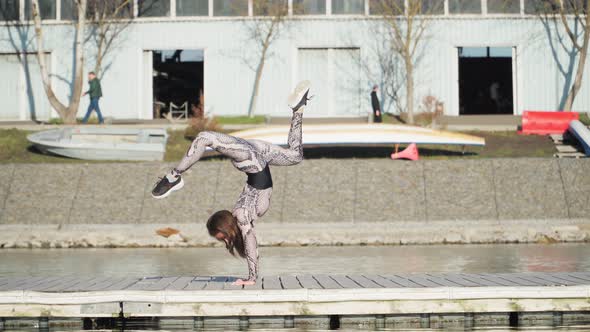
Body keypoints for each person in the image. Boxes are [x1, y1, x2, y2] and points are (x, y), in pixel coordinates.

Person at [151, 81, 311, 286]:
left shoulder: (242, 216)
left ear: (225, 227)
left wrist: (252, 278)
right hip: (257, 157)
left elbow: (251, 241)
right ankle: (298, 109)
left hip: (252, 160)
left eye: (222, 237)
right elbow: (249, 239)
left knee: (205, 137)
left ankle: (173, 177)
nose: (225, 241)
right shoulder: (243, 214)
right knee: (295, 156)